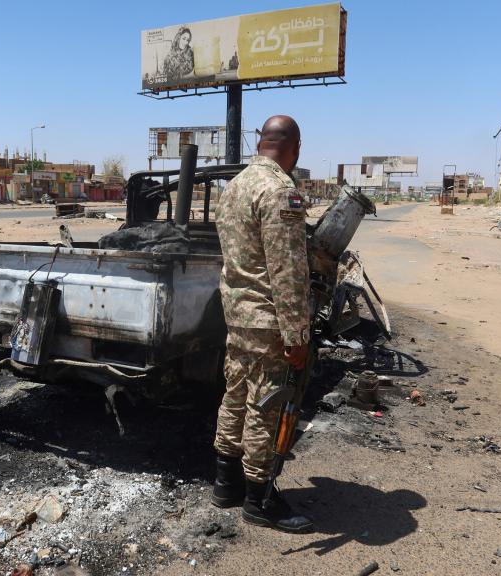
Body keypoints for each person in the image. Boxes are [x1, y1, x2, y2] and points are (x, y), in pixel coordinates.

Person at [211, 115, 313, 533]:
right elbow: (287, 271)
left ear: (260, 142)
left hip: (237, 315)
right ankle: (259, 497)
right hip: (269, 321)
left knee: (236, 394)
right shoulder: (279, 191)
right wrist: (297, 334)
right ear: (296, 147)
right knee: (266, 406)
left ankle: (225, 484)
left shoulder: (235, 186)